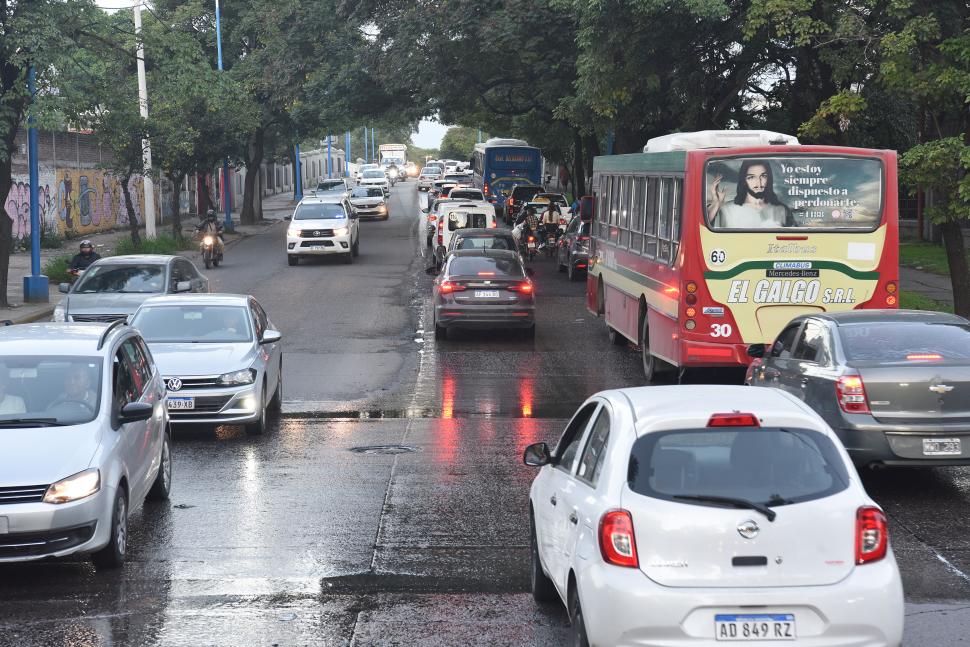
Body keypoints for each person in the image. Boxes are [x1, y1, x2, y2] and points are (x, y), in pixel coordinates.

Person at [708, 160, 789, 228]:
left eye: (763, 176)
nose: (759, 183)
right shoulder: (727, 210)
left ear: (769, 178)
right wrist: (715, 204)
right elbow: (703, 229)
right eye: (751, 177)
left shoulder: (781, 210)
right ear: (744, 181)